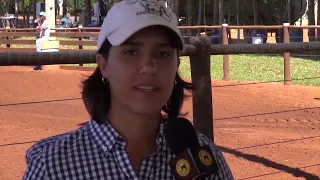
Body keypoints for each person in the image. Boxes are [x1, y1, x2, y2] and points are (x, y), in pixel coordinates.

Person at [22, 0, 234, 179]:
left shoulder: (205, 159)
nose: (149, 67)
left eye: (163, 54)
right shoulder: (53, 167)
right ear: (104, 65)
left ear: (176, 65)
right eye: (131, 52)